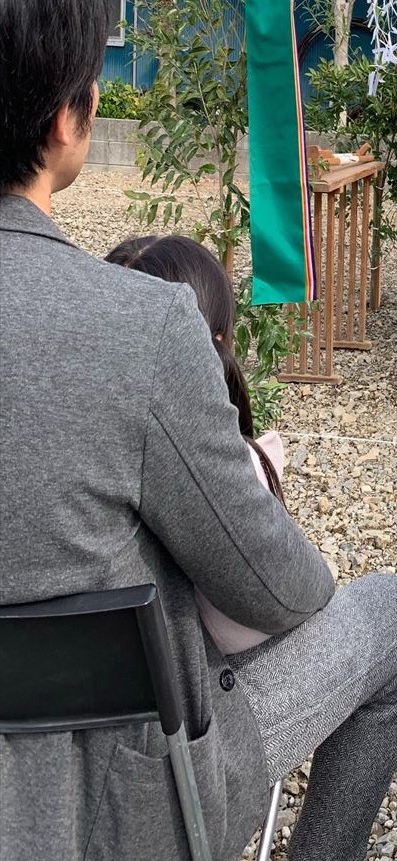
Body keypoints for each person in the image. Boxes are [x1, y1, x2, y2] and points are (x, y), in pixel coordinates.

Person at [0, 0, 397, 861]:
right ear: (70, 117)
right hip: (113, 829)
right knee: (391, 620)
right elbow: (281, 593)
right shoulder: (141, 328)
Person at [106, 233, 288, 655]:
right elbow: (256, 618)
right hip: (204, 695)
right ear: (221, 339)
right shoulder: (222, 462)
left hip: (102, 679)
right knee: (396, 612)